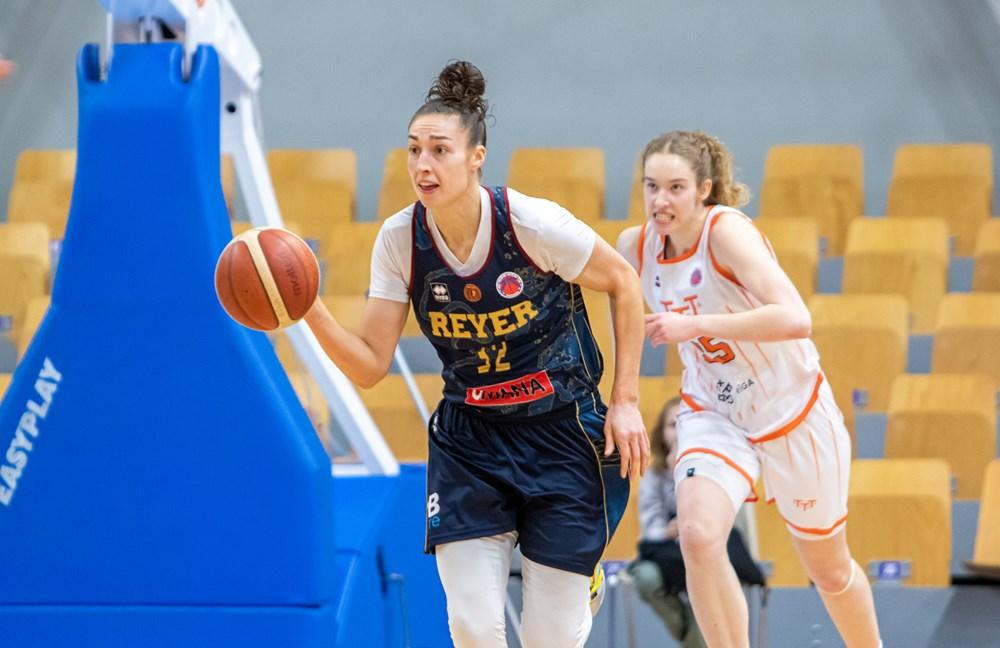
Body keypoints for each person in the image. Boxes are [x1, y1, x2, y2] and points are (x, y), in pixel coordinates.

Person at [304, 61, 650, 648]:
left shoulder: (530, 223)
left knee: (549, 638)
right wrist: (308, 309)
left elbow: (623, 281)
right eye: (414, 150)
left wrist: (626, 399)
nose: (423, 165)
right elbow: (370, 365)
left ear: (476, 157)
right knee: (472, 625)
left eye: (440, 150)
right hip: (471, 440)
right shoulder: (400, 240)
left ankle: (581, 584)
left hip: (562, 430)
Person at [616, 130, 882, 647]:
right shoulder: (635, 246)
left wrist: (696, 325)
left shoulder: (726, 233)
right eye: (651, 186)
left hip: (792, 411)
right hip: (713, 410)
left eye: (675, 187)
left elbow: (795, 318)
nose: (660, 200)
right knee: (697, 536)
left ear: (704, 190)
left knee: (829, 571)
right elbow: (605, 307)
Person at [632, 396, 762, 648]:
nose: (679, 430)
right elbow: (650, 528)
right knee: (646, 579)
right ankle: (695, 641)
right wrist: (670, 530)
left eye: (684, 422)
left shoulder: (718, 466)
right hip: (667, 554)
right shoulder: (654, 475)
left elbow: (731, 523)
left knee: (705, 574)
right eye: (672, 425)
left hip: (715, 548)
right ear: (661, 433)